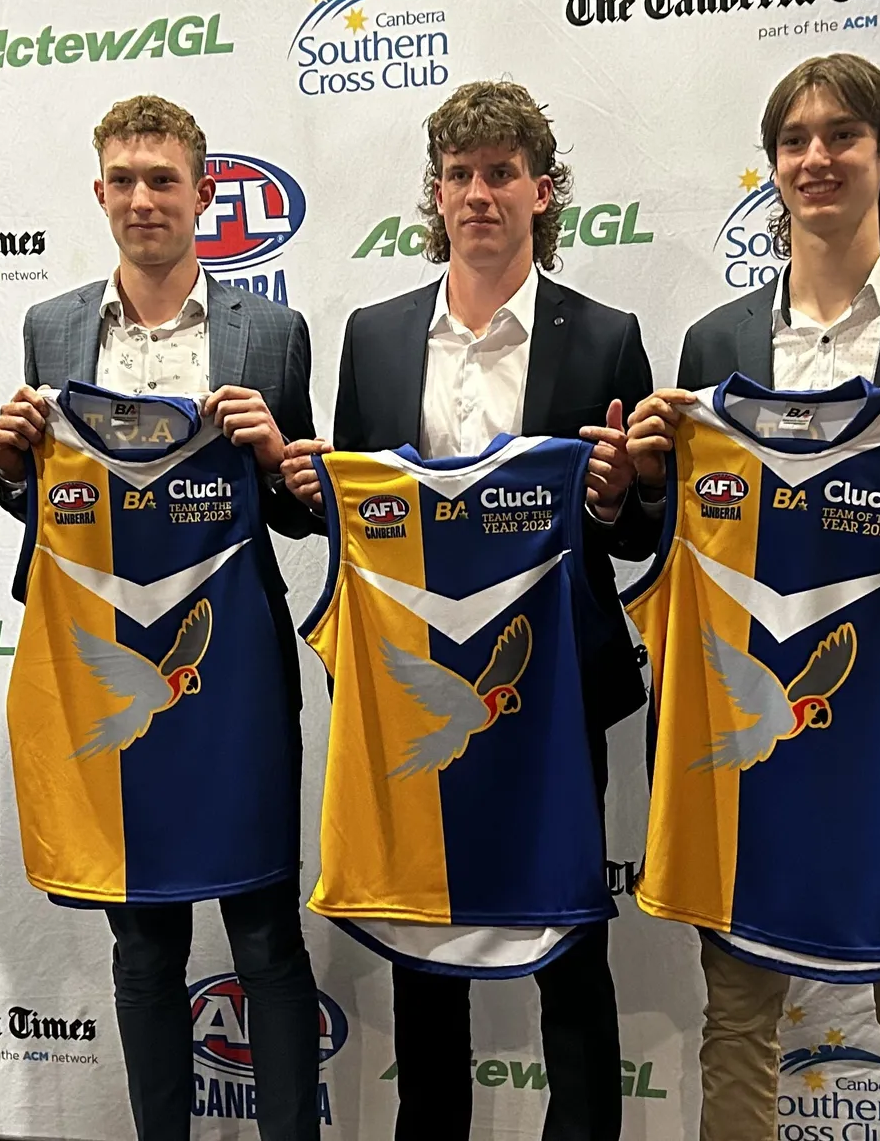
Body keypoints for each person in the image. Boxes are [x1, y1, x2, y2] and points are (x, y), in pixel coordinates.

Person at [618, 52, 880, 1141]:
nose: (817, 158)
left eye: (843, 136)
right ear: (772, 166)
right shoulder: (716, 342)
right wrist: (650, 482)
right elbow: (677, 541)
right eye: (795, 141)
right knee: (738, 1014)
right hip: (752, 732)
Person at [280, 79, 650, 1141]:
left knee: (569, 940)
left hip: (554, 686)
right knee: (423, 947)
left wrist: (616, 495)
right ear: (435, 194)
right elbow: (359, 527)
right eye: (459, 175)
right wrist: (315, 493)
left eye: (500, 173)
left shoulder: (606, 335)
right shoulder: (376, 335)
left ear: (541, 191)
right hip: (416, 688)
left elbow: (636, 532)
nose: (479, 193)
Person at [0, 96, 321, 1141]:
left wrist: (279, 456)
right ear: (99, 193)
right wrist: (10, 465)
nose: (143, 200)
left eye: (163, 180)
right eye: (124, 181)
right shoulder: (52, 327)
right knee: (142, 945)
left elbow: (304, 510)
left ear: (203, 193)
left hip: (232, 667)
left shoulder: (271, 332)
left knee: (265, 935)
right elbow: (45, 503)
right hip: (105, 666)